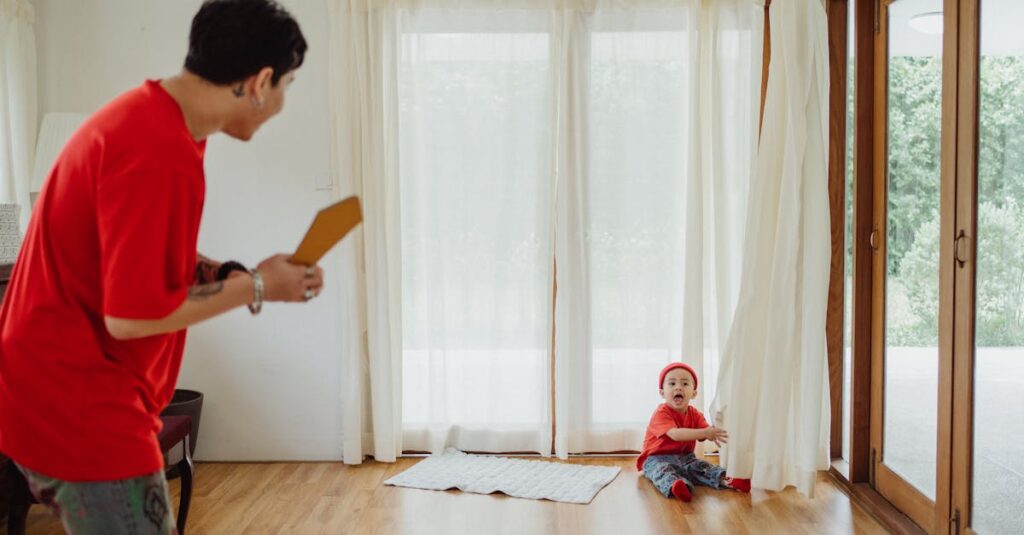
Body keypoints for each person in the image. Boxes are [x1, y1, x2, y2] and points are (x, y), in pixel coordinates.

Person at [0, 1, 315, 532]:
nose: (282, 101)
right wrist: (259, 286)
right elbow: (132, 315)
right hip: (81, 410)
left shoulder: (155, 122)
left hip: (46, 397)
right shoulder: (157, 149)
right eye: (286, 85)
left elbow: (133, 251)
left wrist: (224, 274)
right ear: (260, 81)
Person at [637, 362, 751, 502]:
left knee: (701, 467)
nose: (678, 387)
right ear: (662, 392)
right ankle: (677, 486)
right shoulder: (661, 413)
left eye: (685, 384)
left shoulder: (695, 414)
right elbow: (675, 434)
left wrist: (714, 431)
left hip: (686, 457)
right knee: (662, 471)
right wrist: (705, 433)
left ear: (694, 393)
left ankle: (727, 480)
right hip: (656, 458)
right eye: (672, 384)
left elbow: (705, 433)